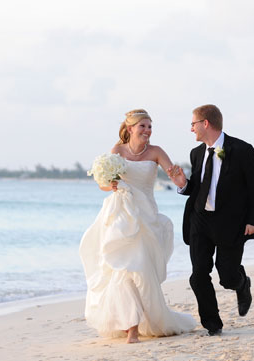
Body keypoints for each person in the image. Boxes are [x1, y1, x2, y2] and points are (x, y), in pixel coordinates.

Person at [79, 109, 197, 344]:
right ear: (130, 128)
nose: (147, 130)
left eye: (150, 126)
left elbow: (176, 178)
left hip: (146, 216)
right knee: (121, 269)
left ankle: (142, 322)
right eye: (142, 126)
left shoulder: (156, 152)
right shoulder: (117, 151)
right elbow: (105, 184)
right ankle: (130, 327)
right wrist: (110, 185)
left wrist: (180, 179)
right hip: (121, 215)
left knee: (141, 269)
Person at [167, 104, 254, 336]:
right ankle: (213, 324)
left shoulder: (241, 149)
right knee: (198, 275)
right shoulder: (196, 153)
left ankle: (242, 283)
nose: (191, 128)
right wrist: (183, 184)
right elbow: (199, 188)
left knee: (228, 277)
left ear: (205, 123)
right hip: (199, 221)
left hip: (230, 224)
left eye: (193, 123)